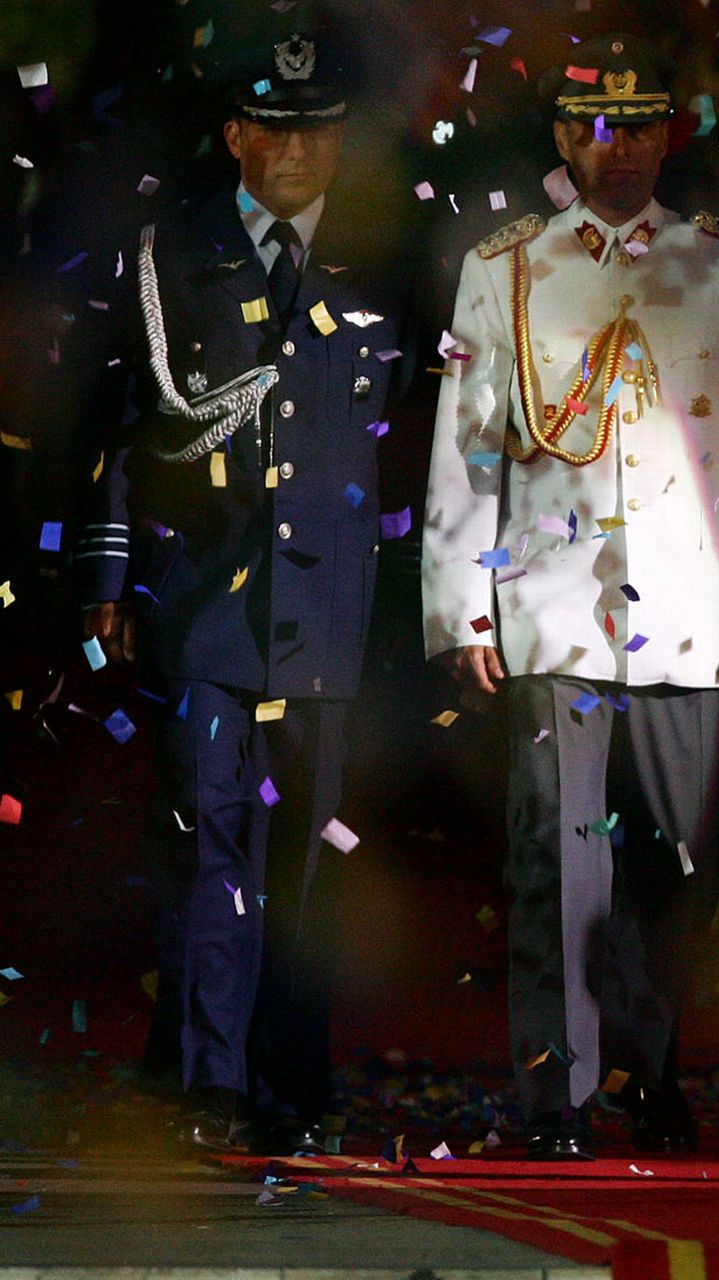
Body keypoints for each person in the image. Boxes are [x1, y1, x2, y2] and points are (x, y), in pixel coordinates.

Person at [421, 36, 719, 1161]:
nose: (622, 146)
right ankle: (560, 1090)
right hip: (549, 604)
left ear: (670, 137)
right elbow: (469, 450)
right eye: (599, 126)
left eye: (643, 126)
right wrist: (463, 604)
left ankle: (652, 1071)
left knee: (672, 858)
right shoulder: (505, 265)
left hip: (693, 604)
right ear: (562, 137)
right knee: (557, 855)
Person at [72, 31, 410, 1156]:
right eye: (275, 126)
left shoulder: (389, 260)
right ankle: (209, 1077)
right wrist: (108, 574)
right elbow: (126, 422)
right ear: (235, 136)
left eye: (318, 128)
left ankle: (286, 1073)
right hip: (207, 602)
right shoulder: (174, 256)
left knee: (311, 860)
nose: (299, 150)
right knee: (214, 841)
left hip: (335, 612)